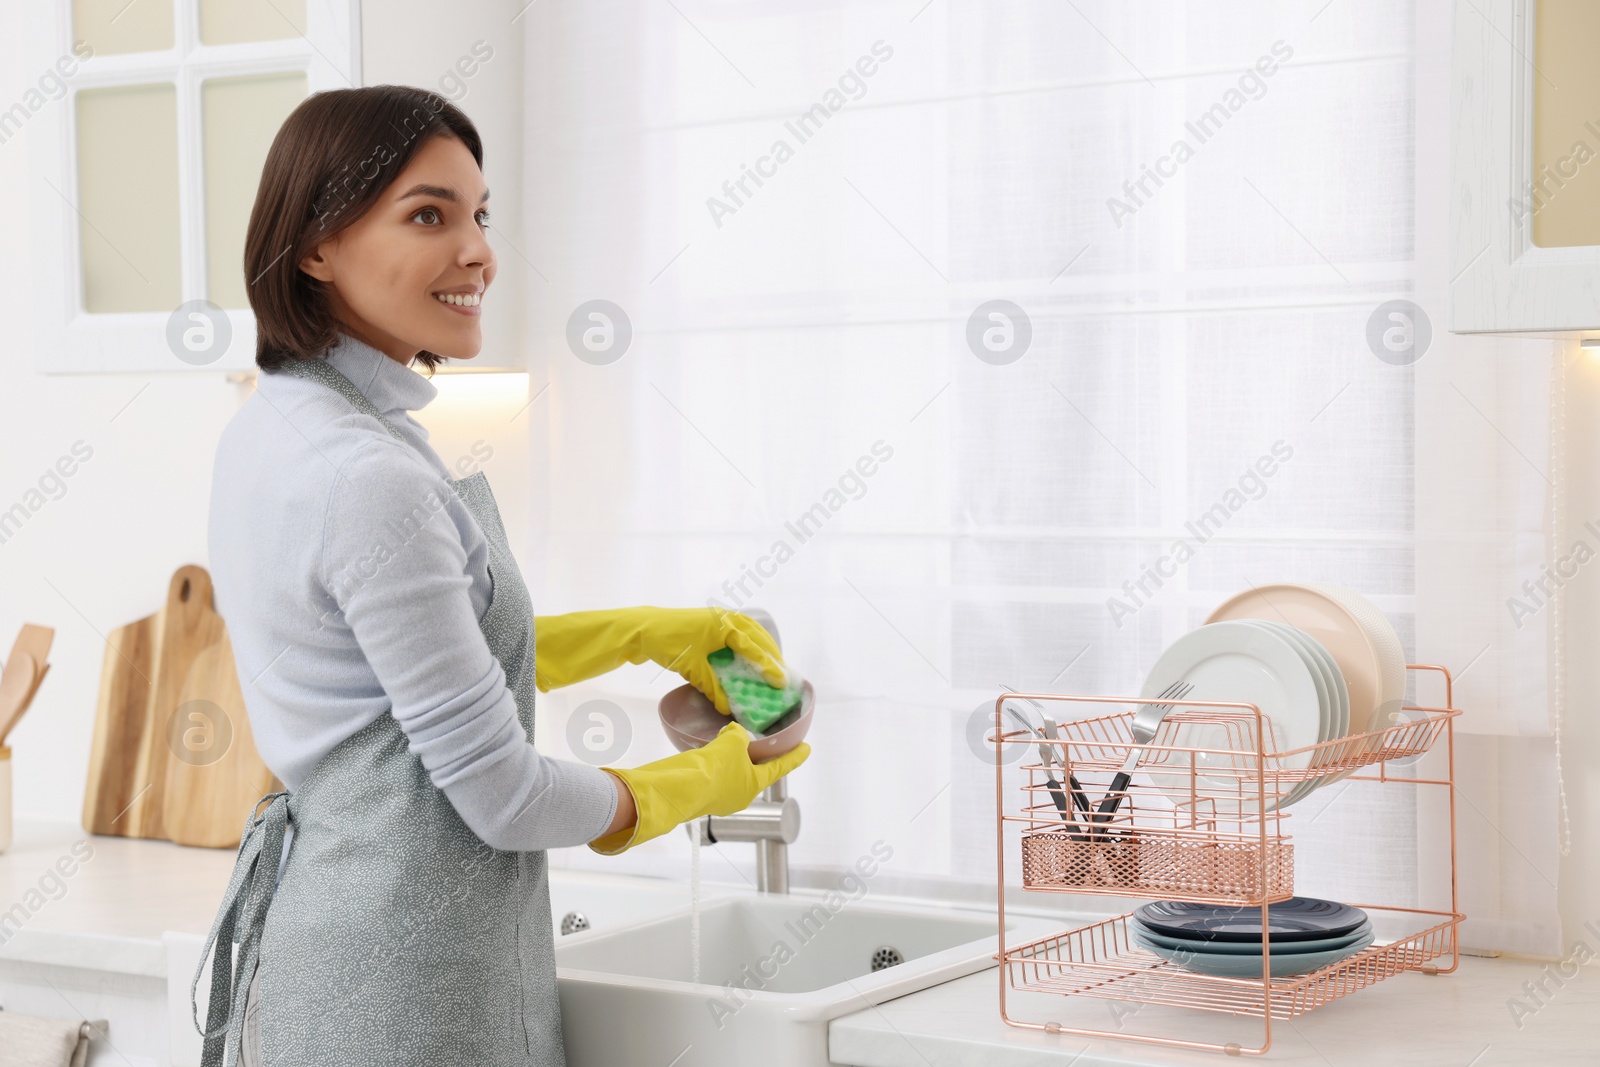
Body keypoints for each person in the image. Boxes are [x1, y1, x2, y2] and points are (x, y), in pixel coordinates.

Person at [190, 85, 809, 1067]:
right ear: (314, 244)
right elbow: (504, 797)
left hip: (341, 948)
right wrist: (709, 777)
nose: (476, 249)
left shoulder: (280, 425)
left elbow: (409, 671)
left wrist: (645, 633)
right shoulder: (369, 473)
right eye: (427, 213)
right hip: (414, 982)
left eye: (480, 215)